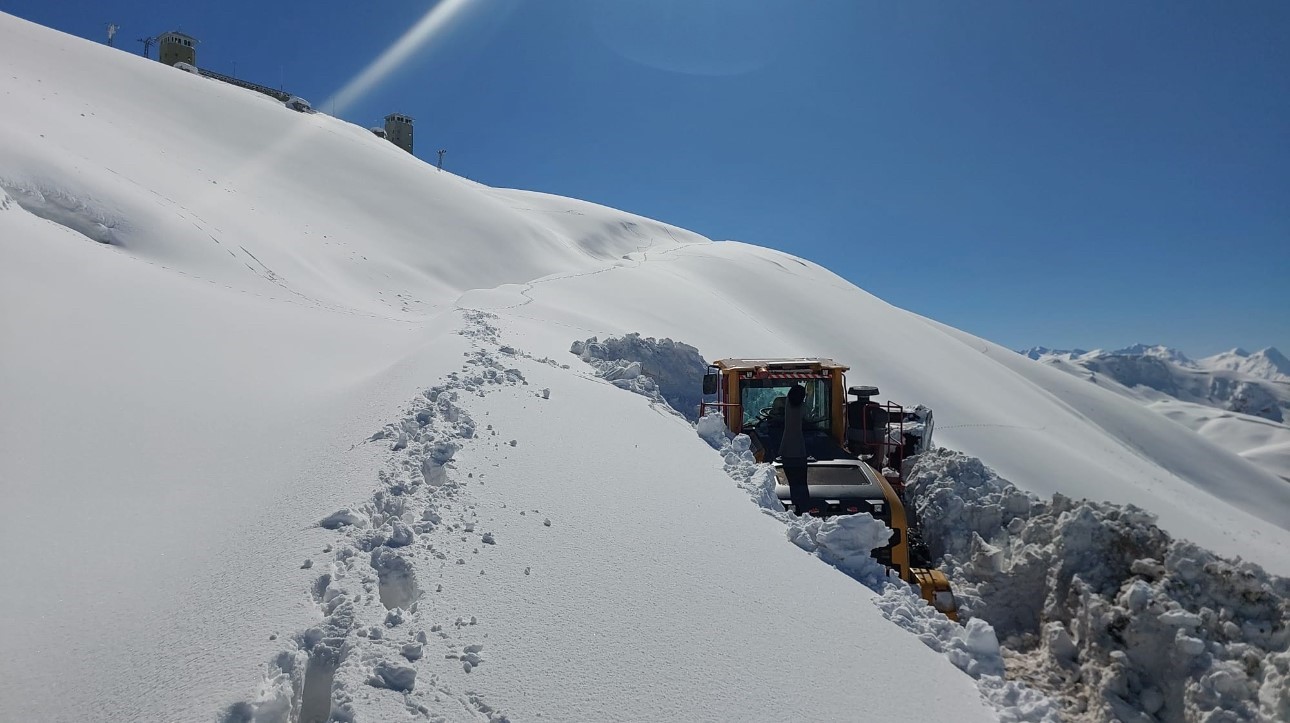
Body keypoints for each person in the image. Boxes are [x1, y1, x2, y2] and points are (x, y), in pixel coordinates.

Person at [780, 384, 810, 514]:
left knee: (792, 482)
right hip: (800, 451)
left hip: (786, 449)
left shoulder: (788, 405)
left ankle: (795, 507)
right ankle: (804, 508)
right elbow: (808, 416)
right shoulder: (802, 407)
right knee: (802, 483)